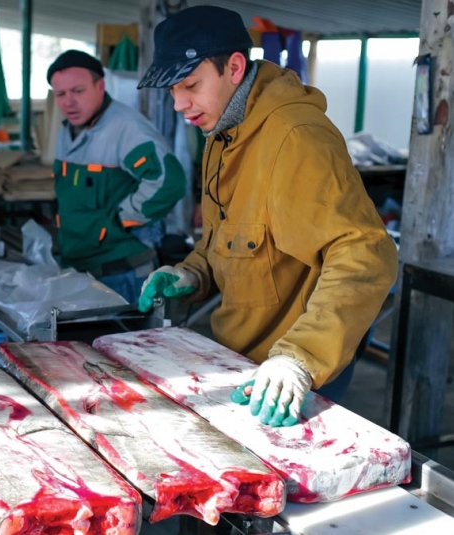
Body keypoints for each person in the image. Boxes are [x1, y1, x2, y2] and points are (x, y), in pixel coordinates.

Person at [136, 6, 398, 426]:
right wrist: (193, 272)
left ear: (235, 67)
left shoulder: (296, 137)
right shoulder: (222, 132)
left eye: (190, 84)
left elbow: (365, 253)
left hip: (290, 369)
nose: (180, 103)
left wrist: (301, 358)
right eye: (172, 90)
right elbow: (230, 236)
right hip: (236, 356)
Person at [48, 50, 188, 303]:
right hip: (81, 268)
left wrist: (119, 221)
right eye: (61, 94)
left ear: (99, 86)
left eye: (78, 91)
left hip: (120, 272)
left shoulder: (126, 128)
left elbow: (170, 182)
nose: (68, 102)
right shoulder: (66, 131)